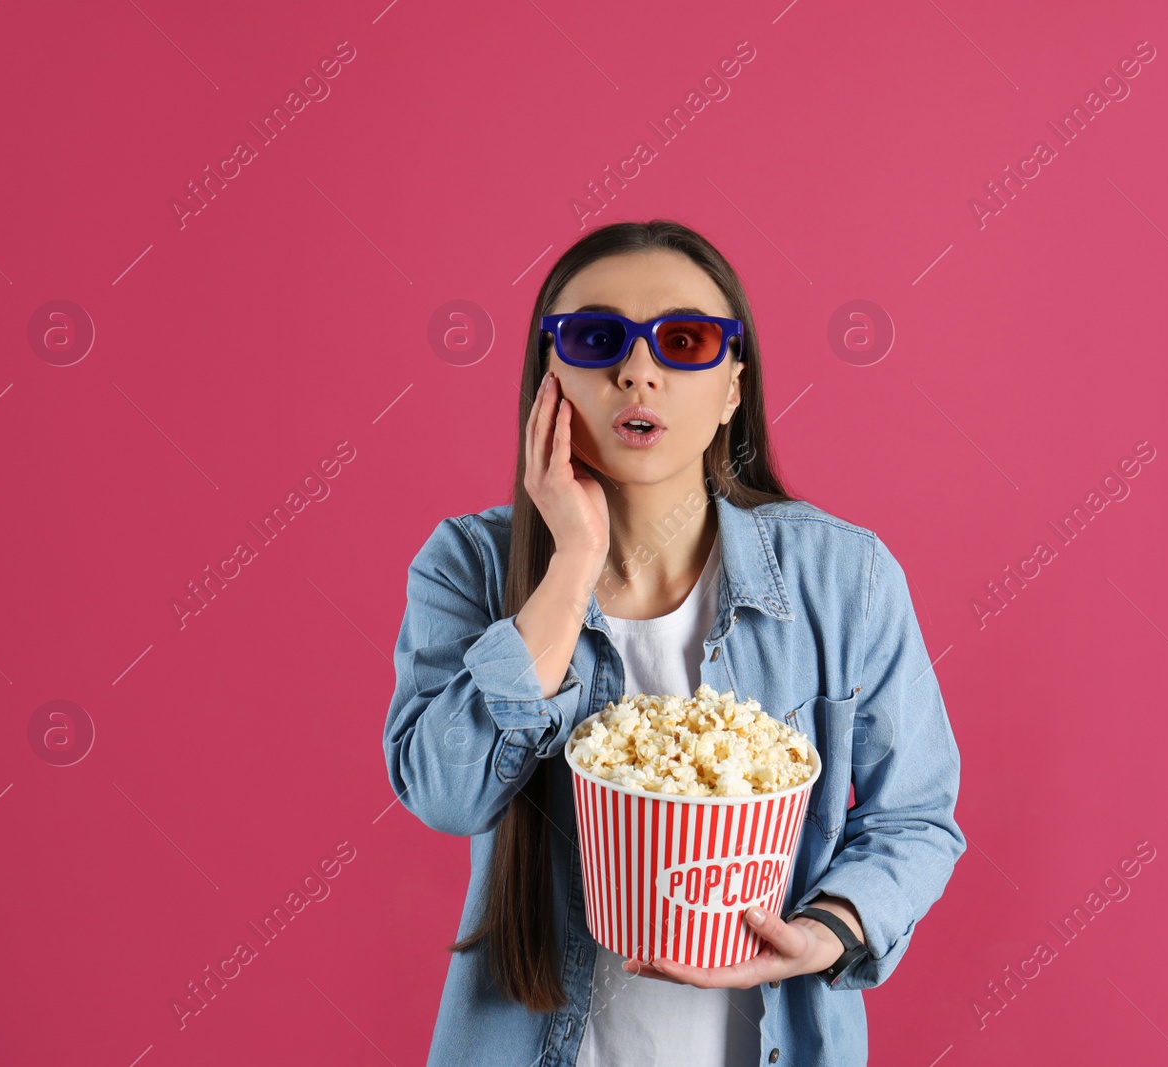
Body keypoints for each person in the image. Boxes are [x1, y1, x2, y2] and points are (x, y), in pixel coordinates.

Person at [383, 218, 966, 1066]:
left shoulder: (844, 579)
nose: (638, 370)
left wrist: (827, 930)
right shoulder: (468, 564)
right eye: (596, 337)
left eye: (684, 340)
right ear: (549, 375)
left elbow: (915, 815)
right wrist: (571, 565)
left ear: (734, 386)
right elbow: (445, 792)